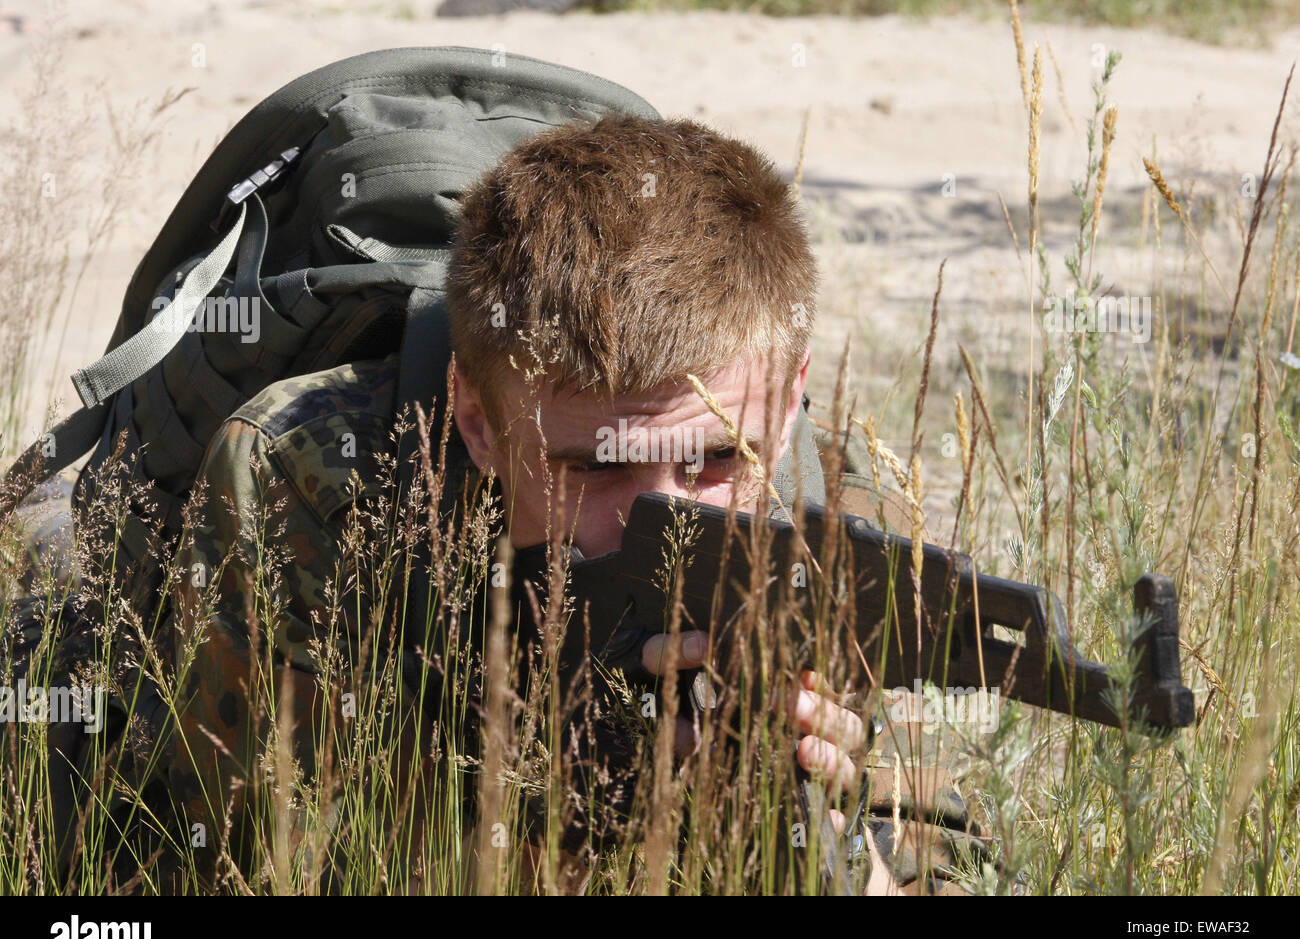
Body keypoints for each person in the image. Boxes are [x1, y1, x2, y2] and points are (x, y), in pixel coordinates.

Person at [163, 114, 981, 893]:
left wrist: (806, 842)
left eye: (718, 456)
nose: (665, 524)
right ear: (477, 419)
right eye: (596, 468)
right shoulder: (312, 477)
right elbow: (246, 859)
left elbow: (949, 856)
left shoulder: (842, 518)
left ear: (793, 394)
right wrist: (565, 797)